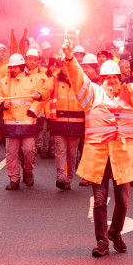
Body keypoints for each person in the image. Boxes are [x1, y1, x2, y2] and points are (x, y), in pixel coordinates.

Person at [61, 39, 133, 257]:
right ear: (101, 79)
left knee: (122, 201)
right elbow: (77, 77)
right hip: (99, 158)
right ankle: (102, 241)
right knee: (100, 201)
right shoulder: (90, 94)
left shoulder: (132, 94)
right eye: (107, 77)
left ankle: (115, 232)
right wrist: (68, 56)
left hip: (124, 157)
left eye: (114, 77)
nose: (111, 81)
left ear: (119, 78)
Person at [0, 53, 49, 190]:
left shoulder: (32, 80)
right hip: (10, 123)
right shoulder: (3, 82)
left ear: (21, 67)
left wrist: (34, 110)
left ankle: (28, 171)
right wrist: (1, 104)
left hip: (27, 122)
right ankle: (14, 179)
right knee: (11, 153)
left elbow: (43, 96)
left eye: (15, 67)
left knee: (29, 150)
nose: (12, 70)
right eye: (10, 67)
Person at [48, 60, 85, 190]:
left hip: (76, 123)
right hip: (59, 122)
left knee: (72, 153)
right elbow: (45, 90)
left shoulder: (82, 81)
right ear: (61, 67)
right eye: (64, 66)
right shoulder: (54, 80)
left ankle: (69, 179)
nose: (67, 69)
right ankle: (61, 177)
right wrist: (40, 94)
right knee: (60, 151)